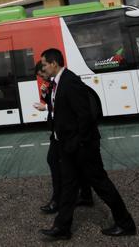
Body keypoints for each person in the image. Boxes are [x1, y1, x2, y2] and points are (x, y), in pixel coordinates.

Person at [38, 48, 136, 240]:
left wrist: (78, 143)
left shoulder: (70, 82)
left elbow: (85, 115)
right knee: (69, 186)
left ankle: (126, 223)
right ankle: (62, 228)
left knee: (101, 184)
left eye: (43, 64)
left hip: (82, 147)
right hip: (67, 146)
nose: (42, 68)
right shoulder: (57, 83)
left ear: (53, 63)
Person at [33, 61, 93, 215]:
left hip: (67, 134)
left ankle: (59, 202)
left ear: (51, 65)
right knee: (77, 167)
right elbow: (54, 102)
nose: (43, 78)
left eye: (43, 73)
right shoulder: (53, 83)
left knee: (58, 163)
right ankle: (82, 196)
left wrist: (46, 107)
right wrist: (45, 95)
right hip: (61, 133)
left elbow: (66, 107)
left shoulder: (67, 81)